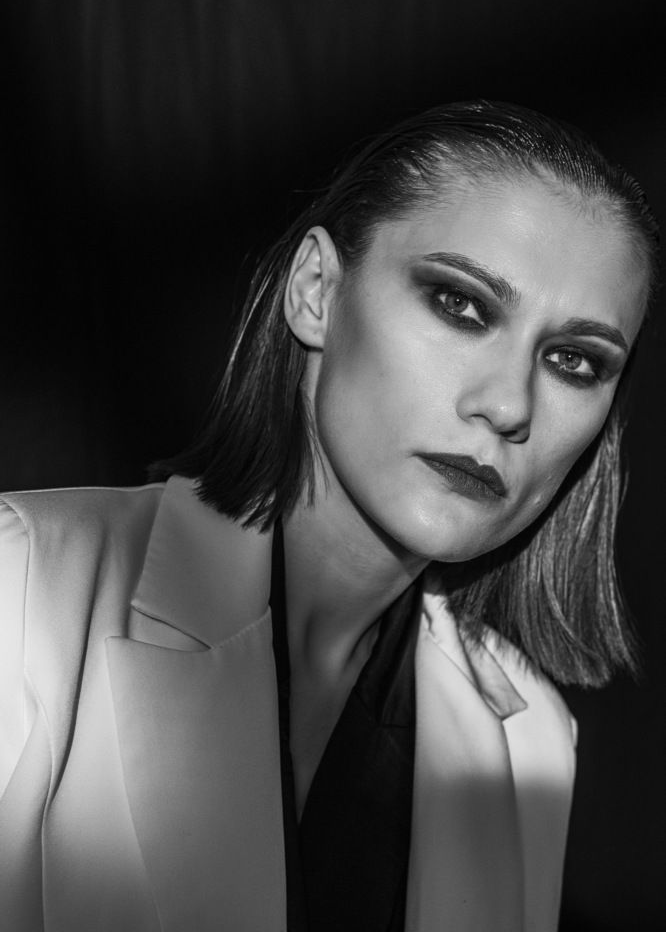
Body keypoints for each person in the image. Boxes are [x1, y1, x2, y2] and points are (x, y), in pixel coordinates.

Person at [0, 100, 658, 932]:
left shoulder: (530, 747)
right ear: (316, 291)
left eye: (573, 361)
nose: (508, 405)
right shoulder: (24, 592)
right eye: (461, 306)